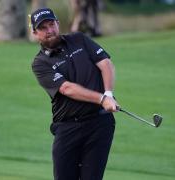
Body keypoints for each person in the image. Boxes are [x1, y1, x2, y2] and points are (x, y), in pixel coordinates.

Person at [30, 7, 119, 180]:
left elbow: (105, 63)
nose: (49, 30)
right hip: (67, 127)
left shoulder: (79, 39)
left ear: (58, 23)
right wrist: (102, 99)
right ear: (35, 33)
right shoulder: (40, 63)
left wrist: (108, 93)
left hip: (99, 124)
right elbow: (66, 88)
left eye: (51, 24)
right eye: (43, 28)